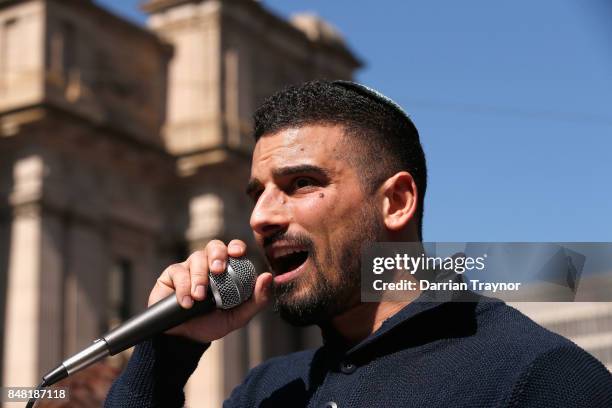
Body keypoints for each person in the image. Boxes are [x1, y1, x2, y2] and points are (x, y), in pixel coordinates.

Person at [105, 81, 612, 407]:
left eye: (301, 183)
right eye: (258, 194)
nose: (261, 217)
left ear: (396, 202)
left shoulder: (539, 378)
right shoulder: (269, 391)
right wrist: (169, 351)